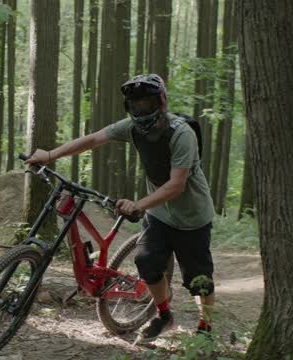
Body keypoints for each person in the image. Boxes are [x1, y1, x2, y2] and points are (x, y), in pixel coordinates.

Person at [25, 74, 216, 345]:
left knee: (199, 280)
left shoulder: (180, 134)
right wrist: (51, 155)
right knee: (147, 264)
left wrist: (138, 204)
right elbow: (93, 139)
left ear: (160, 102)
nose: (141, 110)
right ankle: (163, 315)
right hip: (159, 215)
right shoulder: (132, 128)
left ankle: (206, 327)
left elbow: (176, 185)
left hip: (192, 218)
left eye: (147, 103)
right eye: (135, 105)